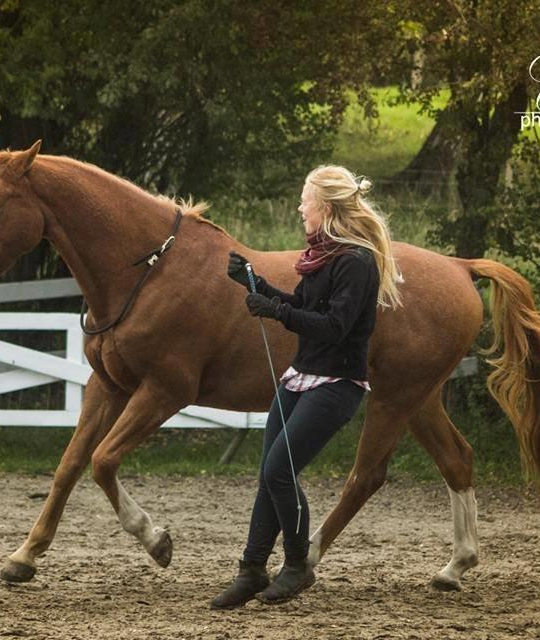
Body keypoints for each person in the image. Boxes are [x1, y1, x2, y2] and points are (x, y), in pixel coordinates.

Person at [211, 165, 405, 609]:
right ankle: (252, 568)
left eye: (306, 200)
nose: (301, 207)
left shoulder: (356, 263)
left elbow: (334, 326)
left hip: (337, 385)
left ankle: (297, 566)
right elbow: (303, 304)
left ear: (326, 207)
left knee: (279, 470)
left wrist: (275, 312)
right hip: (301, 377)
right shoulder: (324, 256)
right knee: (269, 473)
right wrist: (256, 284)